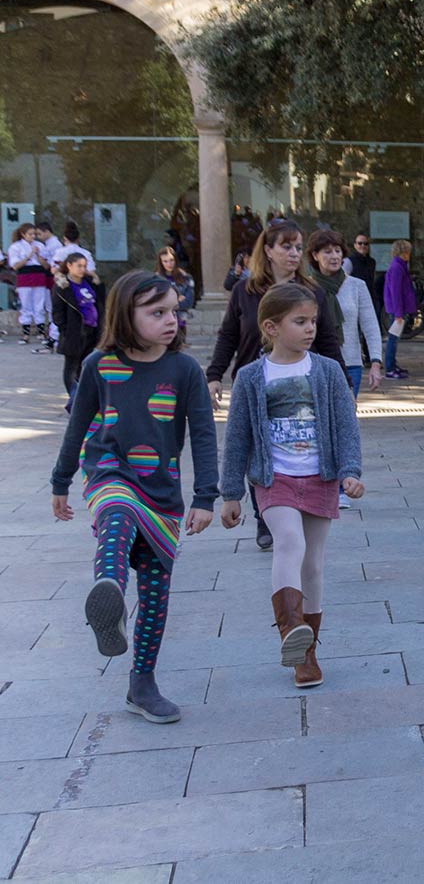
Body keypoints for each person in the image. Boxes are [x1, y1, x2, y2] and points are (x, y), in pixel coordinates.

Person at [49, 271, 218, 723]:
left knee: (158, 593)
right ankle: (110, 598)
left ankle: (141, 685)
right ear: (126, 314)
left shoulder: (185, 371)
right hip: (109, 473)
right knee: (118, 513)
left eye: (174, 311)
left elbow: (202, 435)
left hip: (162, 494)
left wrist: (206, 496)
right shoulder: (98, 365)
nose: (171, 320)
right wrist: (60, 481)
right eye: (157, 312)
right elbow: (77, 425)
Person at [220, 284, 363, 688]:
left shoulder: (328, 370)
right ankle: (291, 634)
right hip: (274, 478)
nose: (310, 328)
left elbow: (346, 426)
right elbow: (237, 437)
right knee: (289, 542)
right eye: (300, 321)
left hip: (321, 476)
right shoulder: (251, 377)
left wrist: (351, 470)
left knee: (313, 563)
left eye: (314, 321)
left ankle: (307, 653)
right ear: (271, 326)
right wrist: (230, 492)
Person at [206, 220, 342, 551]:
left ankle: (289, 509)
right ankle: (264, 515)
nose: (294, 253)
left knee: (287, 444)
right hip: (255, 385)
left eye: (298, 247)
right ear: (267, 250)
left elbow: (326, 341)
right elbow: (229, 336)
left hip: (301, 388)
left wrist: (343, 388)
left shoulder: (314, 293)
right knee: (256, 446)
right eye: (286, 246)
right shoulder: (244, 291)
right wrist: (214, 374)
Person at [308, 229, 384, 402]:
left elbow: (370, 326)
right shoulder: (306, 287)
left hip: (350, 363)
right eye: (327, 252)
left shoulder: (356, 285)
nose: (334, 256)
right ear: (315, 255)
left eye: (338, 251)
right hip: (314, 363)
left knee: (346, 418)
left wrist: (375, 363)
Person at [52, 252, 102, 412]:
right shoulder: (63, 286)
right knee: (71, 367)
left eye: (84, 266)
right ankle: (74, 400)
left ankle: (82, 398)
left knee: (85, 365)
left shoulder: (88, 282)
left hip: (92, 330)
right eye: (79, 266)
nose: (82, 269)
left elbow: (100, 300)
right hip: (74, 331)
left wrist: (97, 281)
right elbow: (58, 312)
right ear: (69, 266)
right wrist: (64, 329)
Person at [8, 223, 51, 344]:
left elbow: (46, 266)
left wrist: (37, 255)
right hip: (24, 277)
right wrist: (29, 255)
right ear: (23, 234)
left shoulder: (40, 246)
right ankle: (25, 334)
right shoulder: (15, 247)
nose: (33, 236)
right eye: (30, 234)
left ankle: (42, 333)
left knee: (39, 305)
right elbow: (15, 266)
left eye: (34, 234)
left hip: (39, 276)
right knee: (26, 305)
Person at [382, 238, 417, 379]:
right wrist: (398, 313)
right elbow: (395, 291)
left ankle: (393, 365)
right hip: (397, 309)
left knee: (394, 338)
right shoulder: (397, 267)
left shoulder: (400, 265)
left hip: (398, 308)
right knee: (393, 339)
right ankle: (390, 368)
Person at [157, 246, 196, 336]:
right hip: (162, 324)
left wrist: (168, 301)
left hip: (181, 324)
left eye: (171, 260)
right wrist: (176, 299)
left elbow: (188, 302)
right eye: (165, 261)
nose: (169, 264)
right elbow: (157, 303)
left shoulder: (186, 277)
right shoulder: (156, 280)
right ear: (161, 263)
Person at [342, 232, 380, 313]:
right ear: (355, 245)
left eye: (365, 244)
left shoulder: (372, 262)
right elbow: (343, 282)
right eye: (360, 243)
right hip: (354, 299)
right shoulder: (348, 261)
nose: (363, 246)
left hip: (369, 299)